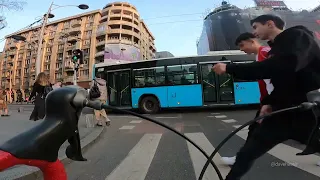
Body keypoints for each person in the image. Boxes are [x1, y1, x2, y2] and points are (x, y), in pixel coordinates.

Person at [213, 14, 320, 179]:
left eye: (255, 27)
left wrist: (229, 68)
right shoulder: (276, 48)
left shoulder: (298, 36)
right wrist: (269, 102)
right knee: (246, 154)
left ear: (270, 24)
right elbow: (284, 80)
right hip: (281, 113)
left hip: (306, 113)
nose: (254, 32)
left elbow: (282, 67)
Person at [221, 32, 274, 165]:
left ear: (252, 41)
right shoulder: (259, 55)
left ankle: (240, 160)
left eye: (242, 45)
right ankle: (240, 159)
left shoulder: (265, 52)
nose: (241, 49)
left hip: (275, 101)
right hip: (270, 102)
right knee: (255, 131)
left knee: (301, 131)